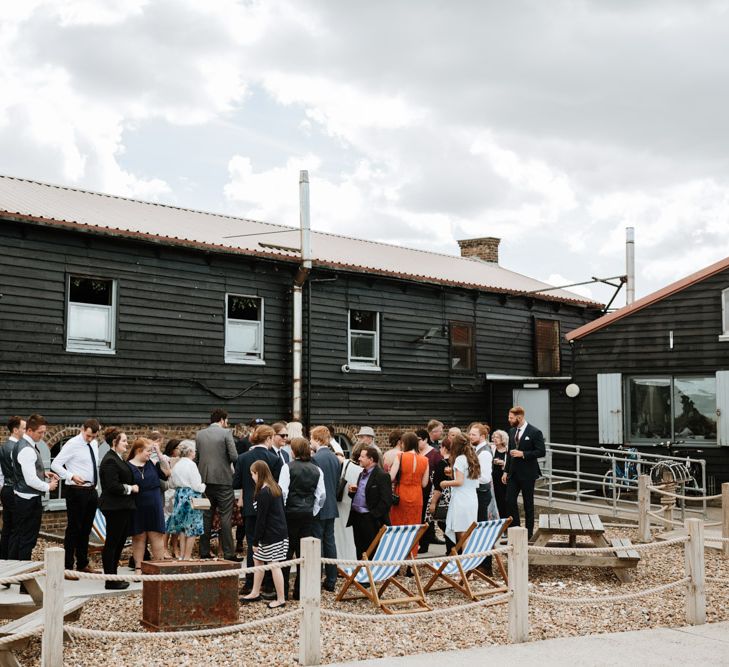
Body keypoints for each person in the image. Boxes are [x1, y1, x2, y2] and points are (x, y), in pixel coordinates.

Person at [233, 424, 282, 595]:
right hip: (270, 508)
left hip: (249, 506)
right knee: (269, 545)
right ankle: (268, 584)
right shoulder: (275, 459)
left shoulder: (243, 458)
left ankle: (249, 583)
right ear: (268, 438)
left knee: (252, 544)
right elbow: (277, 484)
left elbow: (236, 482)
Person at [51, 418, 102, 576]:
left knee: (86, 529)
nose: (90, 439)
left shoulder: (93, 443)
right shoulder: (72, 443)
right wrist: (71, 475)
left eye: (93, 436)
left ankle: (82, 563)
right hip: (76, 490)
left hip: (91, 490)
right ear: (82, 429)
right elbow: (55, 464)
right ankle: (67, 567)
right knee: (74, 529)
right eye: (88, 436)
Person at [279, 437, 325, 600]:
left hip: (289, 514)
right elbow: (321, 496)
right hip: (307, 515)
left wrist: (283, 510)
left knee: (285, 553)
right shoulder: (317, 470)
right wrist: (312, 511)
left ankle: (283, 590)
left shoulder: (287, 467)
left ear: (294, 451)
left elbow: (282, 492)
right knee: (303, 554)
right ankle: (300, 592)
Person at [9, 414, 59, 561]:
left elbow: (25, 470)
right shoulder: (27, 449)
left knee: (18, 536)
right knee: (27, 539)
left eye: (44, 432)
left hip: (21, 497)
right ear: (29, 430)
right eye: (40, 432)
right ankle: (24, 579)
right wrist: (48, 486)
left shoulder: (21, 444)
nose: (43, 435)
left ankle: (13, 573)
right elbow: (30, 479)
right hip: (28, 501)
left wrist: (43, 473)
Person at [240, 460, 288, 609]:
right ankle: (255, 592)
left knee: (274, 564)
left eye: (253, 474)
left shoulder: (264, 492)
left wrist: (255, 541)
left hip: (271, 534)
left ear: (258, 473)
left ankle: (281, 599)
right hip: (279, 532)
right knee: (258, 560)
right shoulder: (275, 488)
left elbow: (261, 519)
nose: (252, 477)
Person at [196, 408, 238, 561]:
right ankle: (229, 553)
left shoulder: (199, 434)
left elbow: (197, 458)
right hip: (224, 480)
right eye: (227, 421)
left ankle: (204, 551)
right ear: (222, 420)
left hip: (205, 481)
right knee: (225, 517)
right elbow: (234, 456)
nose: (227, 424)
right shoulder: (226, 433)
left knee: (206, 516)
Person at [98, 428, 138, 590]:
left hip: (123, 507)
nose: (127, 444)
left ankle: (114, 575)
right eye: (124, 441)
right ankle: (110, 579)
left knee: (119, 542)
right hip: (114, 507)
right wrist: (131, 488)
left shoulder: (118, 459)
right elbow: (112, 486)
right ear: (114, 442)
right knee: (112, 543)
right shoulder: (109, 460)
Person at [127, 437, 170, 573]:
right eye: (148, 451)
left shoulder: (152, 463)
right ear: (139, 450)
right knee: (139, 536)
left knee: (156, 535)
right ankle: (138, 567)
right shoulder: (128, 466)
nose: (149, 454)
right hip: (137, 504)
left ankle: (159, 567)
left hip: (154, 504)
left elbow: (168, 473)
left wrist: (158, 452)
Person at [502, 405, 545, 539]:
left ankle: (529, 533)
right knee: (509, 500)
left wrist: (523, 454)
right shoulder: (511, 431)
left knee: (528, 504)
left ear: (519, 417)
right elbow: (509, 453)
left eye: (511, 418)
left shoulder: (535, 432)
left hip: (528, 473)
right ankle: (515, 530)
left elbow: (541, 451)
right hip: (513, 473)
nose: (509, 420)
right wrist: (505, 471)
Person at [347, 445, 392, 559]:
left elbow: (386, 501)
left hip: (370, 519)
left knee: (371, 549)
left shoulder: (382, 475)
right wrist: (352, 492)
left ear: (371, 459)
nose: (359, 459)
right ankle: (360, 573)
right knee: (359, 548)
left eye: (362, 457)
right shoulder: (361, 473)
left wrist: (372, 516)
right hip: (356, 517)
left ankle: (371, 575)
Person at [310, 425, 341, 592]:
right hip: (331, 505)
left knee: (317, 543)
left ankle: (315, 577)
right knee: (330, 542)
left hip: (319, 505)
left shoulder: (316, 459)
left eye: (311, 439)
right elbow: (336, 483)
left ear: (317, 439)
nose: (310, 442)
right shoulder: (335, 458)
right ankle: (331, 580)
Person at [388, 432, 428, 556]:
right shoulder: (425, 459)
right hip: (417, 495)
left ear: (404, 443)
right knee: (414, 528)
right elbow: (424, 484)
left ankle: (397, 558)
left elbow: (391, 477)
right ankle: (411, 561)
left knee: (398, 526)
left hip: (402, 493)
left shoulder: (400, 456)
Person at [166, 440, 206, 560]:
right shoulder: (191, 464)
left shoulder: (177, 465)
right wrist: (204, 486)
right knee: (192, 527)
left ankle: (182, 555)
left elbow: (171, 484)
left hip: (179, 495)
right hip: (191, 496)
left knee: (182, 527)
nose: (195, 453)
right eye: (194, 451)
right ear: (190, 451)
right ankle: (188, 556)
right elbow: (197, 485)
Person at [440, 433, 479, 543]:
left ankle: (464, 558)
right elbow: (468, 479)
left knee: (462, 532)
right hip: (472, 498)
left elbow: (459, 482)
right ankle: (469, 557)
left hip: (461, 499)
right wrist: (452, 476)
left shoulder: (460, 459)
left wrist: (445, 483)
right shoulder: (473, 457)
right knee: (469, 530)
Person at [0, 416, 25, 559]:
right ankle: (12, 560)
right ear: (15, 430)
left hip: (6, 490)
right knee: (17, 528)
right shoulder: (17, 448)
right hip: (15, 490)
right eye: (23, 428)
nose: (25, 431)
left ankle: (2, 558)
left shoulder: (3, 447)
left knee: (7, 527)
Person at [333, 444, 363, 562]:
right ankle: (350, 561)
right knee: (350, 535)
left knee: (339, 535)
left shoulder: (344, 463)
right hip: (352, 504)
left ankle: (339, 561)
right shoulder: (362, 471)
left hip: (340, 501)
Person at [416, 428, 443, 552]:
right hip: (418, 489)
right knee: (419, 517)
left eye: (419, 440)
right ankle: (421, 542)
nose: (417, 443)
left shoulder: (434, 454)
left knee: (426, 517)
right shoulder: (416, 453)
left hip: (430, 489)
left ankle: (425, 543)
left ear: (425, 439)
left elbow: (440, 472)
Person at [427, 437, 455, 555]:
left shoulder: (441, 464)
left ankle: (451, 548)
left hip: (443, 498)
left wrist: (433, 503)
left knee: (443, 523)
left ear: (443, 448)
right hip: (453, 496)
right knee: (450, 523)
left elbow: (438, 487)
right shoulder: (454, 462)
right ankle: (453, 547)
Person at [468, 423, 493, 522]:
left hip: (482, 493)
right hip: (478, 492)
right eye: (470, 434)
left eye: (473, 435)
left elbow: (484, 478)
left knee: (480, 522)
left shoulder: (484, 453)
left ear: (482, 436)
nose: (470, 437)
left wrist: (467, 478)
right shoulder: (477, 449)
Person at [491, 430, 509, 519]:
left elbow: (510, 464)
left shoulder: (507, 450)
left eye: (497, 437)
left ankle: (505, 519)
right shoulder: (492, 448)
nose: (495, 439)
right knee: (496, 499)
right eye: (494, 437)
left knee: (504, 499)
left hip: (504, 477)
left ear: (503, 439)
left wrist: (503, 463)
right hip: (494, 477)